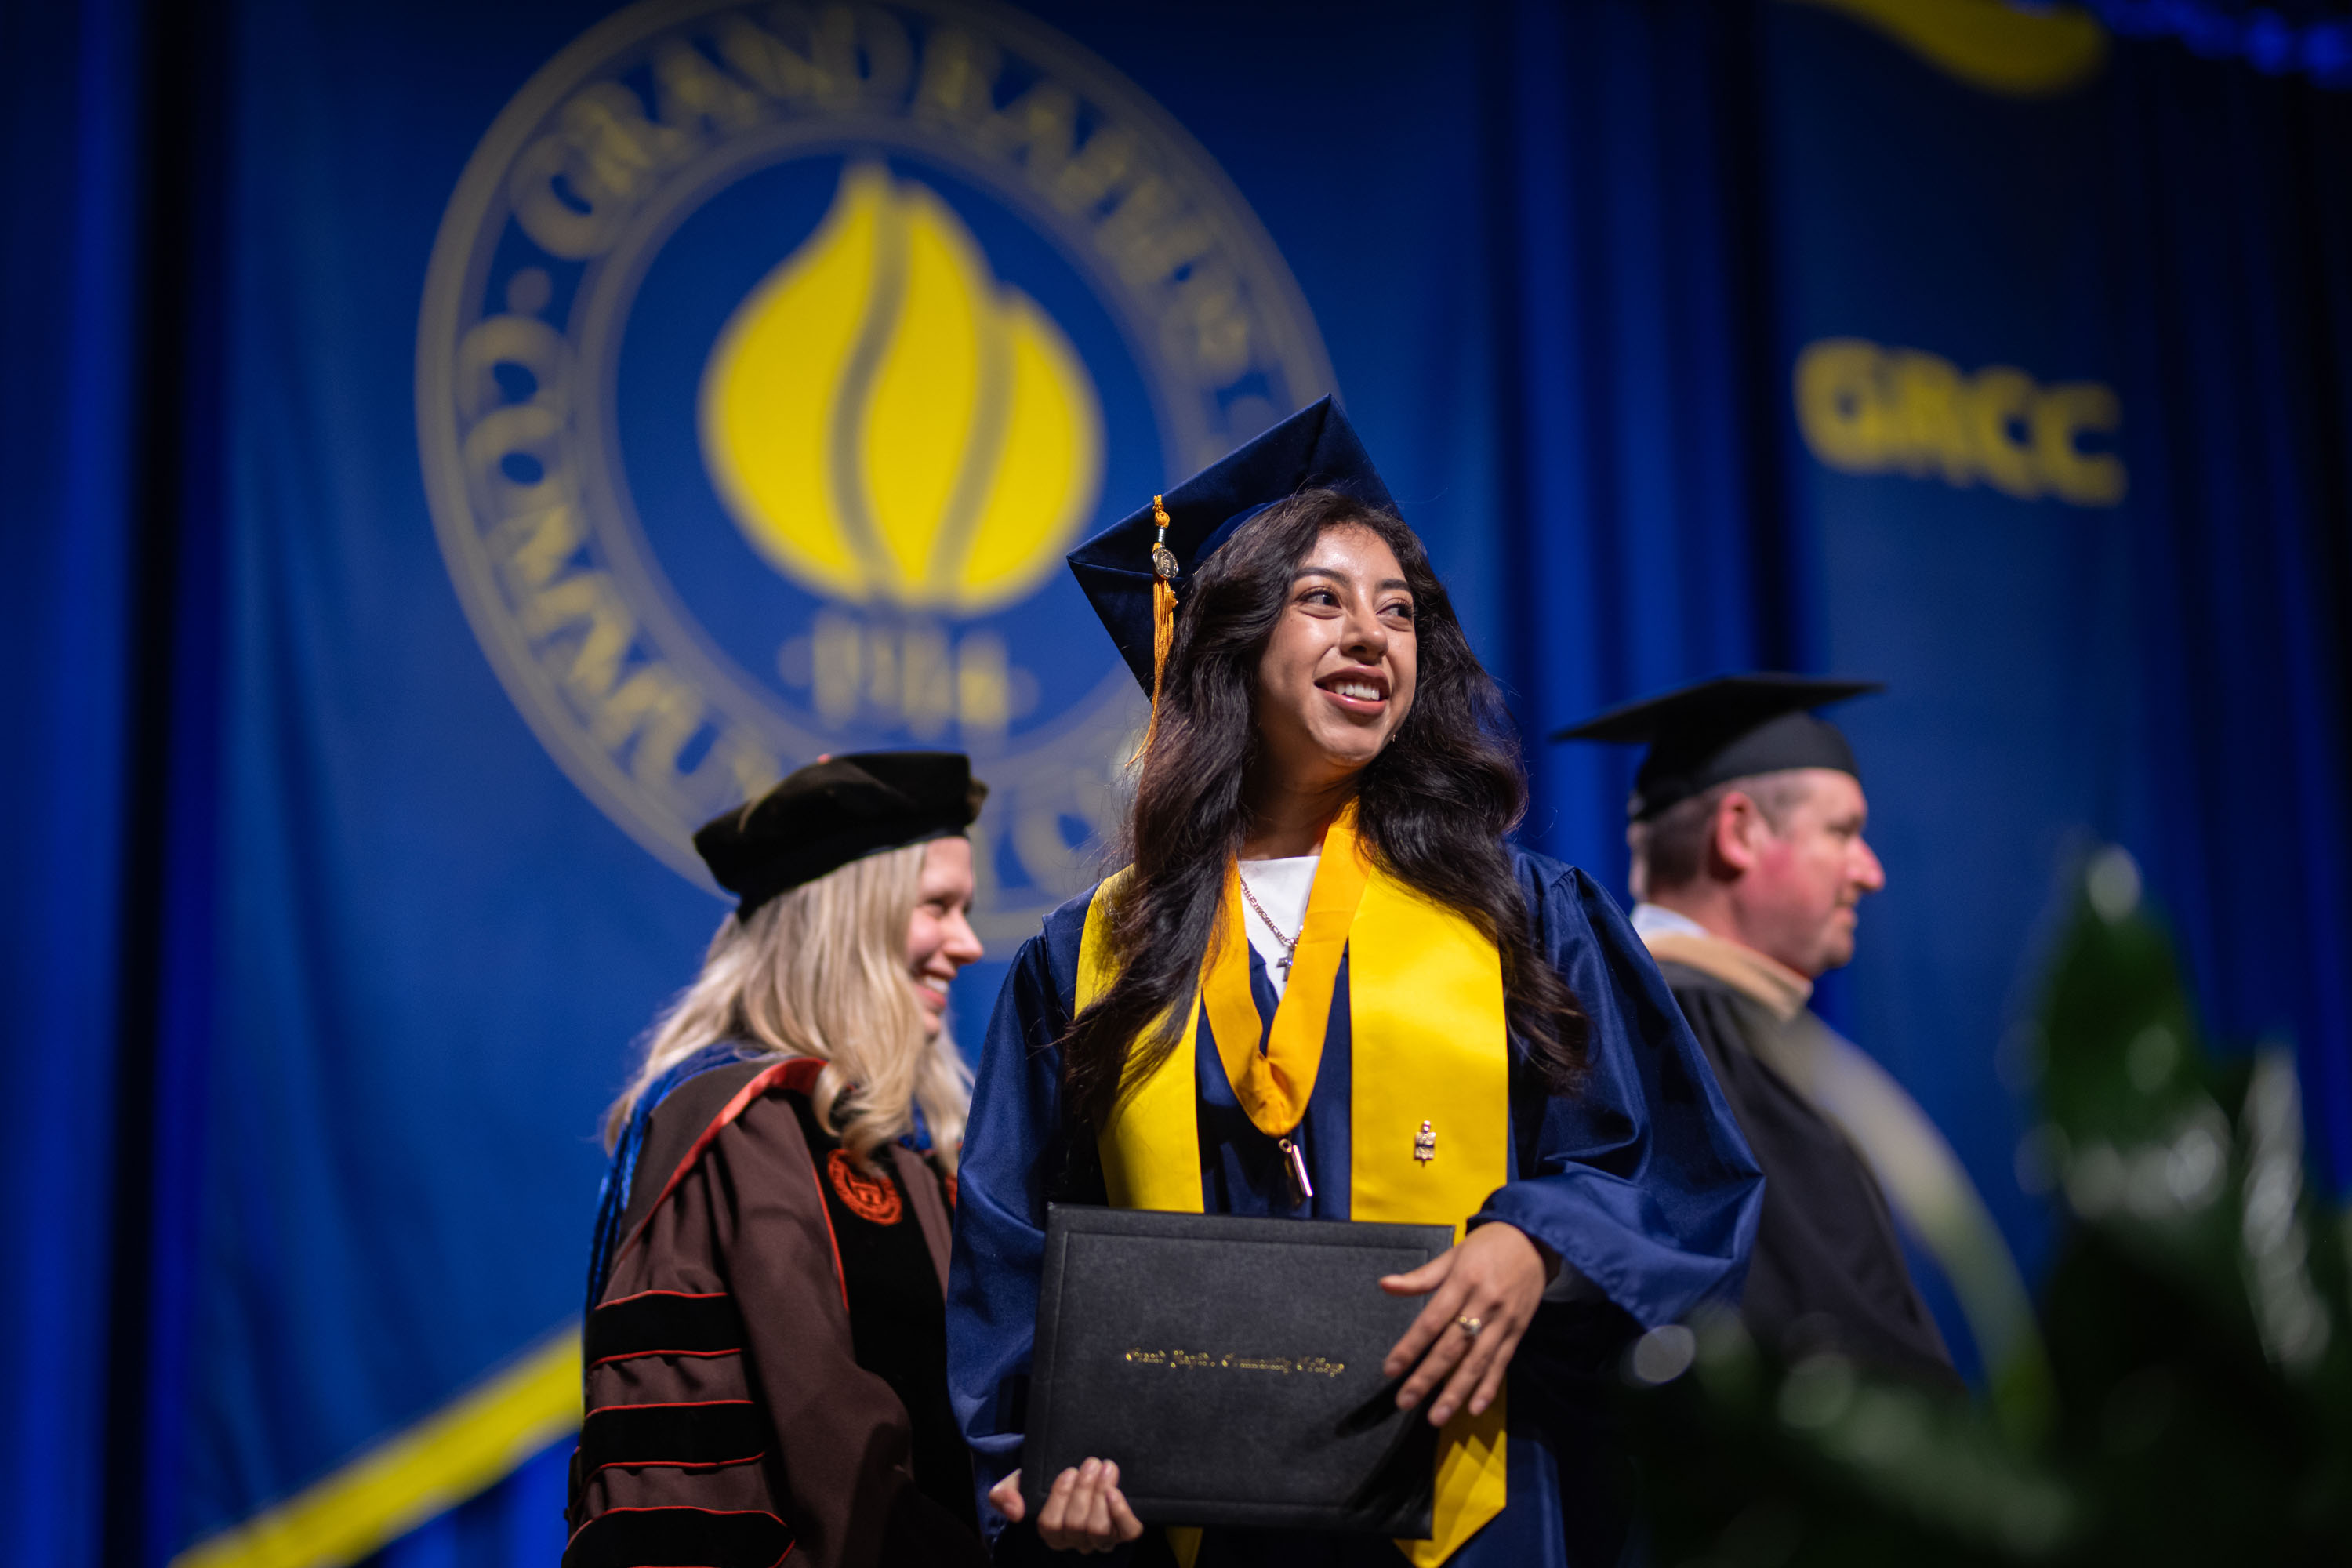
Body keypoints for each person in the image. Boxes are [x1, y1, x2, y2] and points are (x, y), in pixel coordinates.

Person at [946, 398, 1763, 1566]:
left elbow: (1673, 1173)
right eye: (1322, 599)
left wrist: (1538, 1241)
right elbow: (1014, 1251)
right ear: (1224, 641)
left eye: (1399, 612)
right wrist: (1044, 1460)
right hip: (1192, 1520)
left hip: (1469, 1500)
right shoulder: (1090, 956)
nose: (1373, 637)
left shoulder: (1518, 914)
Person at [567, 751, 993, 1568]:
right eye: (936, 905)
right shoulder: (739, 1123)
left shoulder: (916, 1152)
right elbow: (823, 1441)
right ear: (847, 918)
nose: (968, 943)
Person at [1555, 676, 1964, 1388]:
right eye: (1842, 832)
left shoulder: (1615, 1016)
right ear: (1739, 832)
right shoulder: (1693, 1036)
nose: (1871, 871)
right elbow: (1828, 1337)